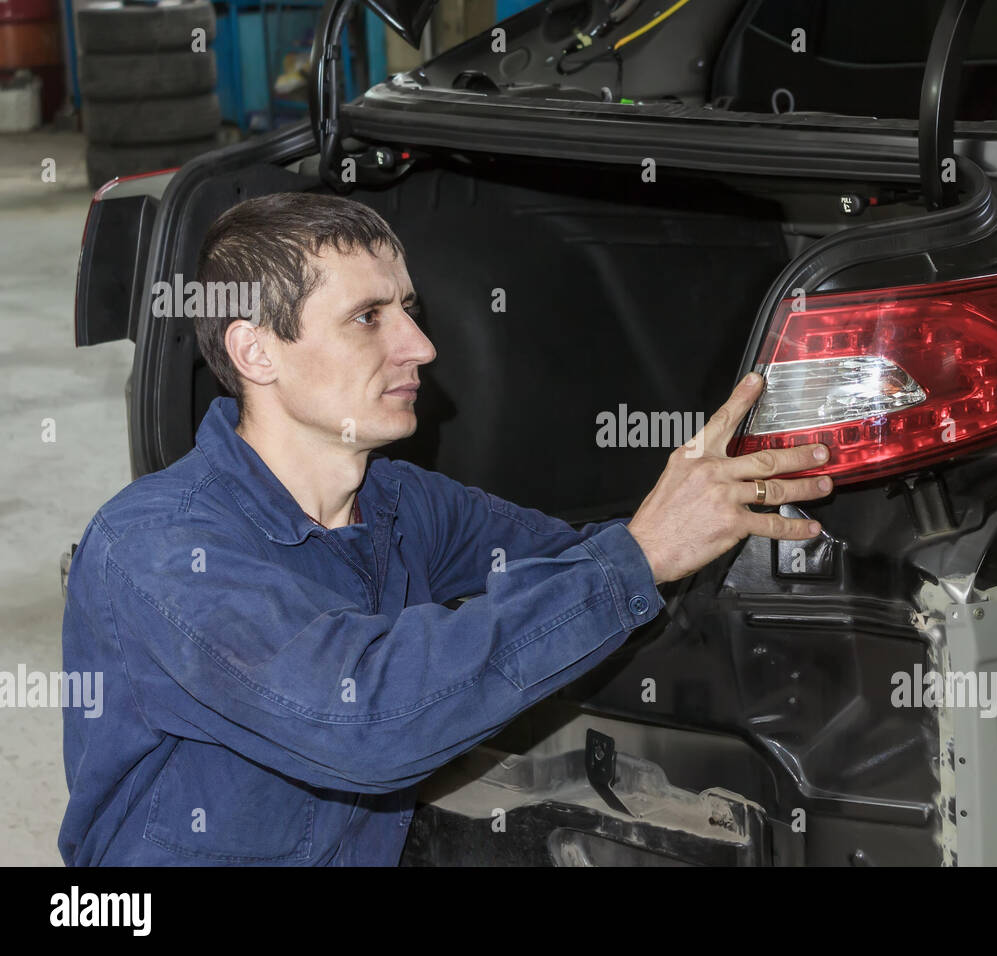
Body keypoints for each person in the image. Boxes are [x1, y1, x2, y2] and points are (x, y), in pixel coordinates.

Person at [58, 192, 831, 865]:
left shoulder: (402, 503)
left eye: (409, 310)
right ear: (255, 351)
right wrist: (636, 558)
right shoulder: (162, 550)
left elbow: (578, 563)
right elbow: (365, 717)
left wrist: (692, 518)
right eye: (368, 317)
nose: (420, 347)